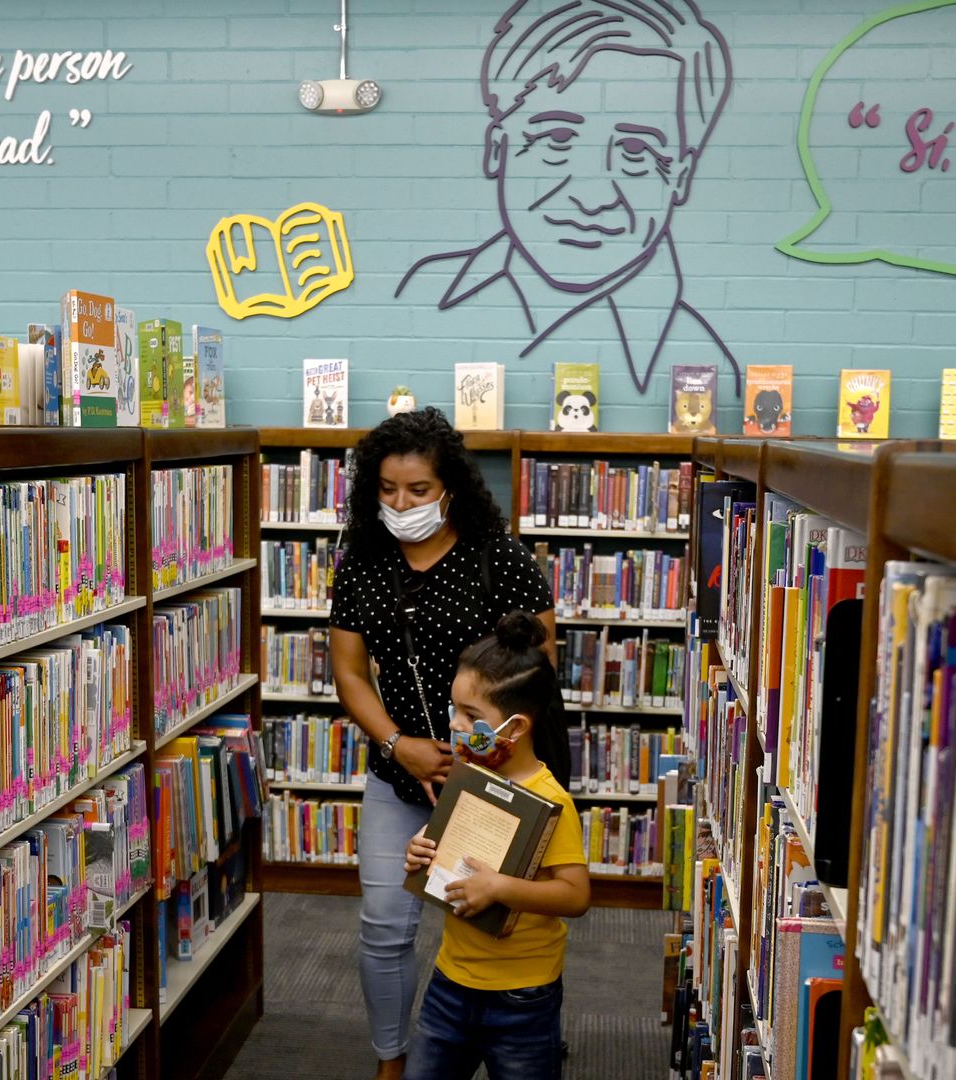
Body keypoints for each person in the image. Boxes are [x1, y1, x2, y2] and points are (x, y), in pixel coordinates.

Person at [330, 408, 556, 1080]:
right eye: (389, 490)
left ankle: (522, 1039)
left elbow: (537, 668)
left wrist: (480, 755)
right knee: (384, 926)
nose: (402, 504)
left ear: (450, 487)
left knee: (498, 920)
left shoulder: (500, 557)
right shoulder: (363, 564)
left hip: (493, 776)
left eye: (419, 490)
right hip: (400, 773)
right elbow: (348, 671)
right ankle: (391, 1059)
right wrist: (399, 744)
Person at [394, 0, 738, 394]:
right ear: (496, 149)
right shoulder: (422, 291)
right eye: (557, 140)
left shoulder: (711, 372)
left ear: (681, 175)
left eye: (635, 152)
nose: (592, 198)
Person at [401, 611, 589, 1080]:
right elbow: (448, 853)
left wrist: (500, 888)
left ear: (517, 727)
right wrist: (421, 851)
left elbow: (576, 895)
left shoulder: (550, 800)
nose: (457, 725)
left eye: (472, 716)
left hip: (523, 996)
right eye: (455, 709)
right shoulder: (469, 778)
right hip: (451, 981)